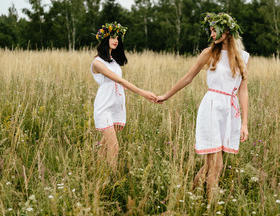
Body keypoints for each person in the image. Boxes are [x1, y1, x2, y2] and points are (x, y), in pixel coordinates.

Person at [157, 13, 249, 201]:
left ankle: (188, 197)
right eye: (211, 30)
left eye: (216, 30)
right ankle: (211, 207)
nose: (212, 34)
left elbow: (243, 91)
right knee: (217, 164)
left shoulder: (243, 57)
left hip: (230, 111)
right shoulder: (208, 54)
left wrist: (245, 123)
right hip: (212, 108)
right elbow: (187, 77)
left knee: (210, 165)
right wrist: (166, 96)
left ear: (228, 30)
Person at [91, 22, 157, 170]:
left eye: (118, 38)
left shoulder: (113, 61)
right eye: (112, 37)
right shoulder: (97, 62)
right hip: (104, 106)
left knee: (105, 145)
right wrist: (143, 93)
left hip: (115, 105)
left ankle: (97, 171)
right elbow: (119, 80)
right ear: (104, 39)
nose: (116, 41)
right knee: (114, 146)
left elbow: (119, 84)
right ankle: (111, 178)